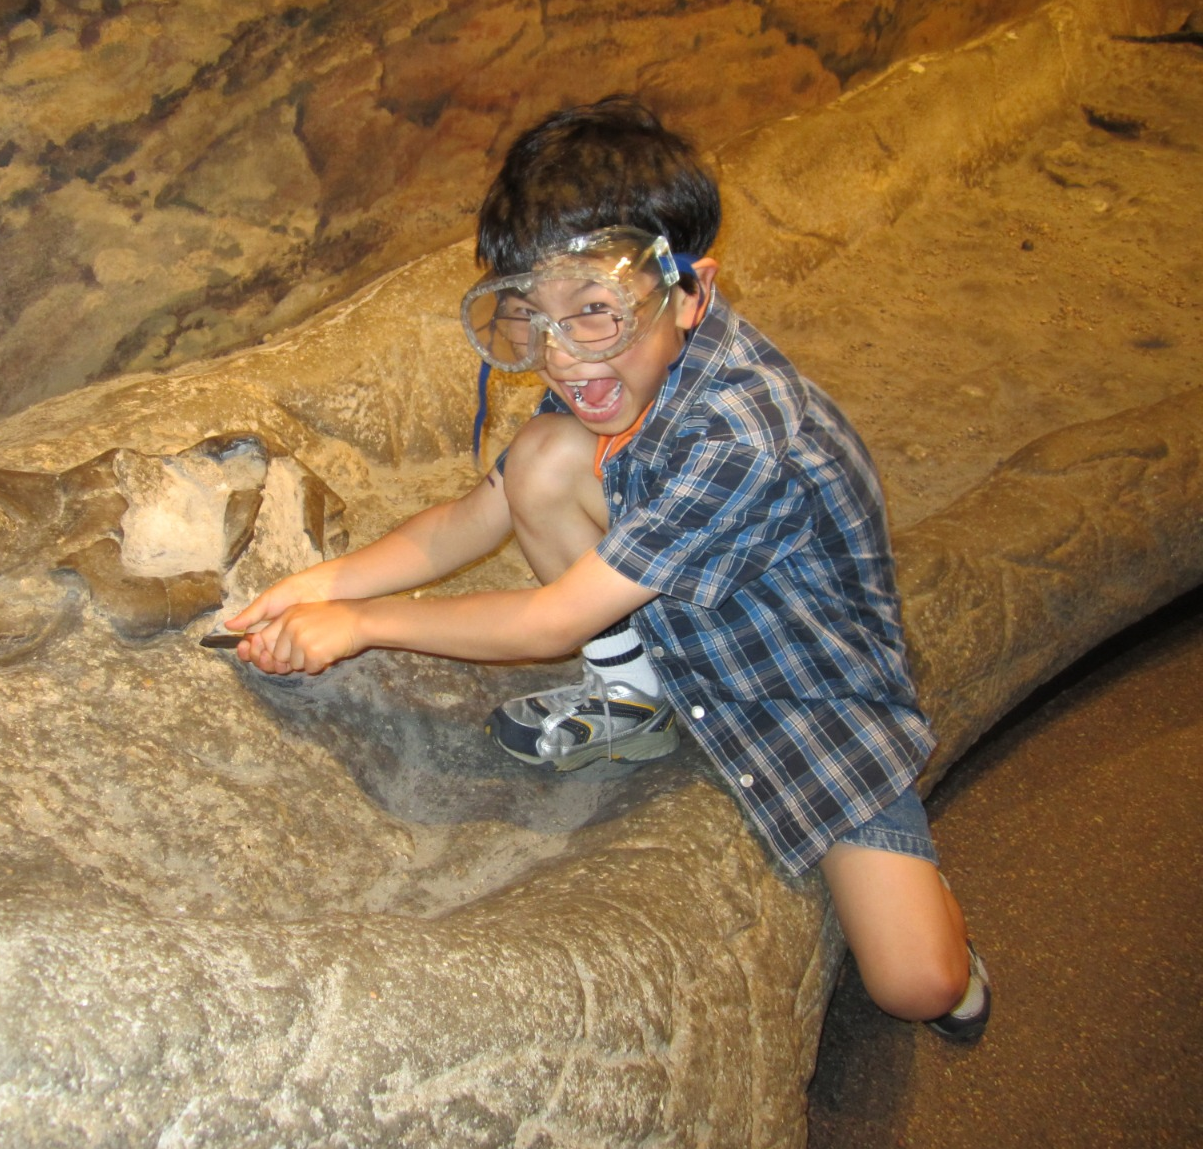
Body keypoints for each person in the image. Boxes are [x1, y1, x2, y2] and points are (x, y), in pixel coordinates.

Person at [226, 95, 990, 1039]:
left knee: (915, 985)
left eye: (595, 311)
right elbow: (476, 516)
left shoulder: (740, 434)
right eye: (531, 321)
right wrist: (328, 581)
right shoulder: (622, 375)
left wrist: (366, 624)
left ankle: (937, 923)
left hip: (808, 705)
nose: (562, 355)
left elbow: (550, 620)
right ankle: (634, 701)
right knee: (544, 458)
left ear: (692, 291)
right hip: (688, 634)